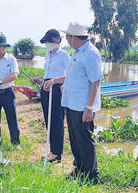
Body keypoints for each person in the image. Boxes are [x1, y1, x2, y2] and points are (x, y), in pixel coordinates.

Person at [44, 22, 103, 183]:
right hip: (71, 103)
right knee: (75, 139)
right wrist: (55, 80)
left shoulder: (91, 53)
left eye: (68, 37)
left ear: (75, 38)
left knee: (84, 139)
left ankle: (91, 175)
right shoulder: (76, 52)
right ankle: (79, 169)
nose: (67, 40)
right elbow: (71, 76)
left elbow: (95, 82)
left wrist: (89, 108)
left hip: (83, 105)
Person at [39, 29, 69, 162]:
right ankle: (52, 149)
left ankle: (57, 152)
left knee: (57, 120)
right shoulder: (47, 55)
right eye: (47, 42)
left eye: (51, 41)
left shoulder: (64, 56)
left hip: (57, 88)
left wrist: (55, 81)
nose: (48, 44)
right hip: (46, 86)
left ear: (57, 42)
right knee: (48, 119)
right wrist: (46, 83)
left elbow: (69, 75)